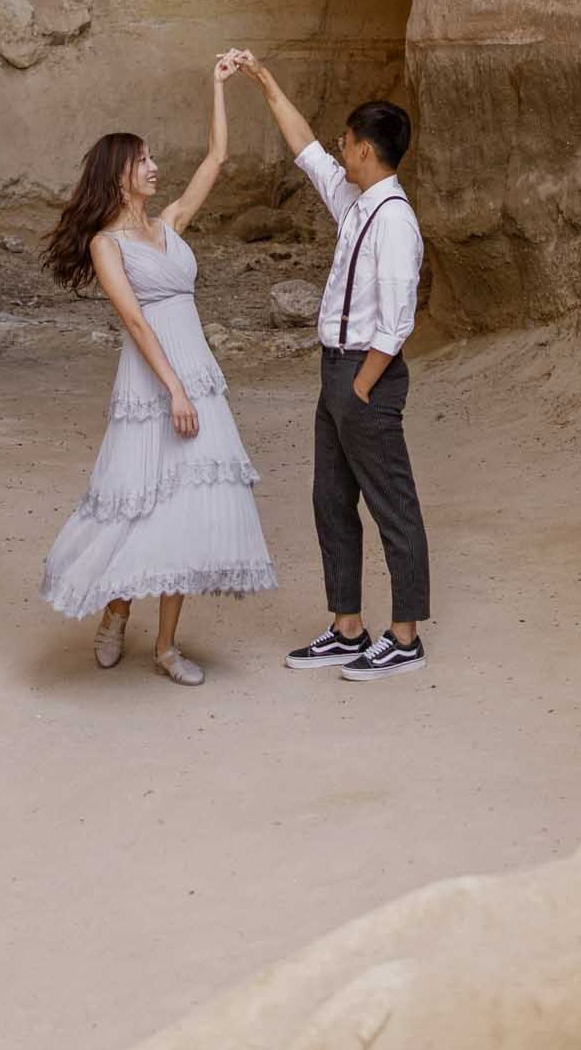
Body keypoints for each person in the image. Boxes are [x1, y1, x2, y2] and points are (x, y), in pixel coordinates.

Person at [38, 52, 275, 685]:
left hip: (198, 374)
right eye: (144, 160)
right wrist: (172, 389)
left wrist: (218, 85)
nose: (154, 167)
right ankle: (117, 608)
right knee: (141, 500)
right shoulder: (105, 243)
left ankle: (167, 647)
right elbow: (137, 322)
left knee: (189, 507)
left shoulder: (169, 224)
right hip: (153, 383)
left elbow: (215, 161)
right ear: (120, 173)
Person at [225, 52, 429, 682]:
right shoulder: (356, 201)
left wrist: (362, 387)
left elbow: (396, 322)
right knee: (331, 500)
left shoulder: (393, 221)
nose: (339, 149)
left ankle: (405, 636)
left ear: (366, 150)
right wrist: (262, 81)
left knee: (391, 503)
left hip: (364, 376)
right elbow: (305, 148)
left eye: (347, 141)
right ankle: (347, 626)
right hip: (335, 373)